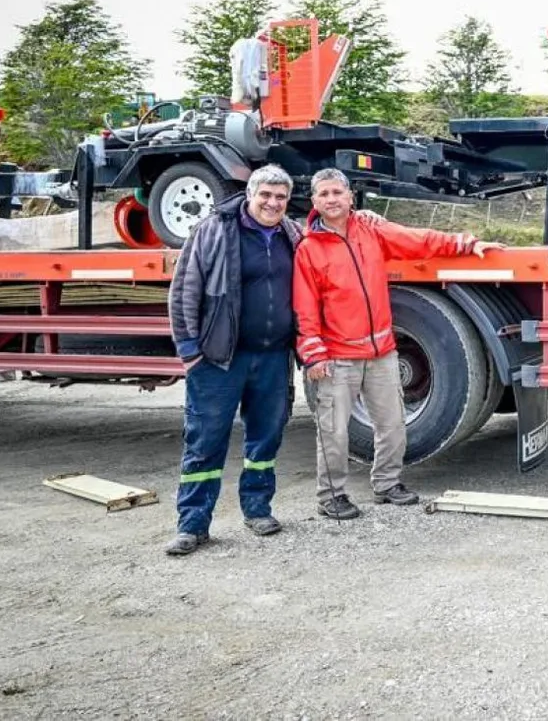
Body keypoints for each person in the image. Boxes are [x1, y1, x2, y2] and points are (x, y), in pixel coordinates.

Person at [293, 168, 504, 520]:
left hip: (382, 353)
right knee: (333, 430)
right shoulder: (309, 250)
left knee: (392, 424)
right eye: (324, 194)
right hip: (338, 357)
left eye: (337, 193)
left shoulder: (371, 231)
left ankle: (388, 484)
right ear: (315, 201)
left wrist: (466, 243)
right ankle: (331, 496)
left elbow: (418, 240)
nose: (332, 199)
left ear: (350, 197)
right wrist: (314, 355)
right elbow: (304, 307)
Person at [164, 163, 301, 555]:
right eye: (266, 195)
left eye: (280, 197)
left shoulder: (291, 234)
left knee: (266, 438)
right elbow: (183, 290)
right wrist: (189, 350)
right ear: (251, 194)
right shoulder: (214, 230)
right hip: (219, 359)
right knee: (205, 441)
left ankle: (257, 509)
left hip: (273, 357)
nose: (272, 203)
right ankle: (193, 525)